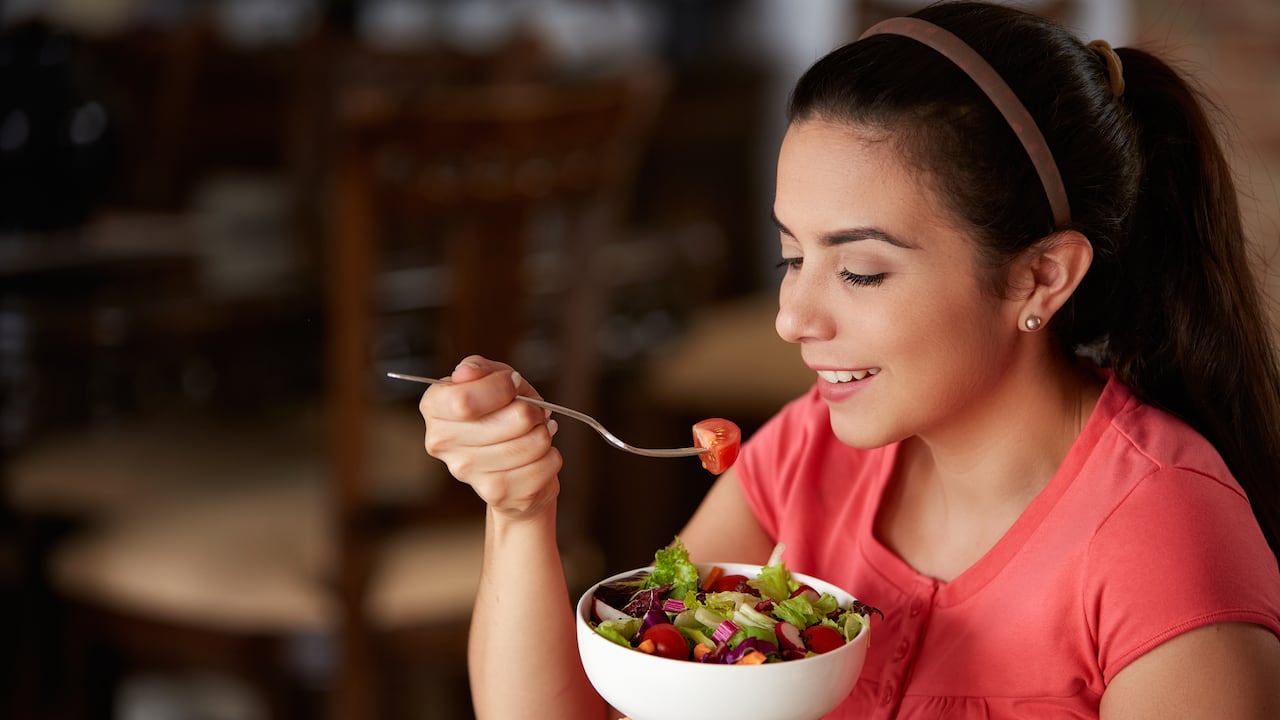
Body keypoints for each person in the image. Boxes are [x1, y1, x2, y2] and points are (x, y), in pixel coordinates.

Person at [416, 2, 1280, 718]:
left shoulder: (1162, 537)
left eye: (860, 270)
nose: (792, 317)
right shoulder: (806, 454)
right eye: (794, 256)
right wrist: (521, 510)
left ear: (1040, 276)